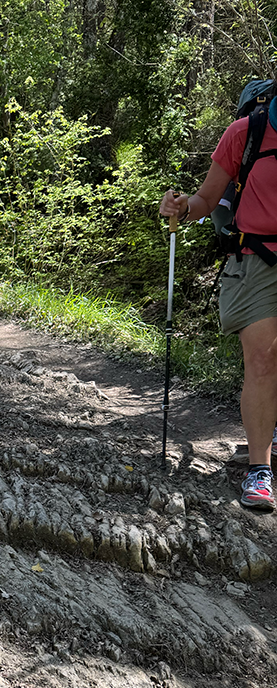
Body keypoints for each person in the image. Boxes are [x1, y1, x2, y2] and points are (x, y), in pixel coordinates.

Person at [160, 79, 277, 512]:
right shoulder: (245, 132)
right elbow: (207, 199)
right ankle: (260, 469)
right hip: (255, 260)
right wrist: (181, 208)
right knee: (263, 360)